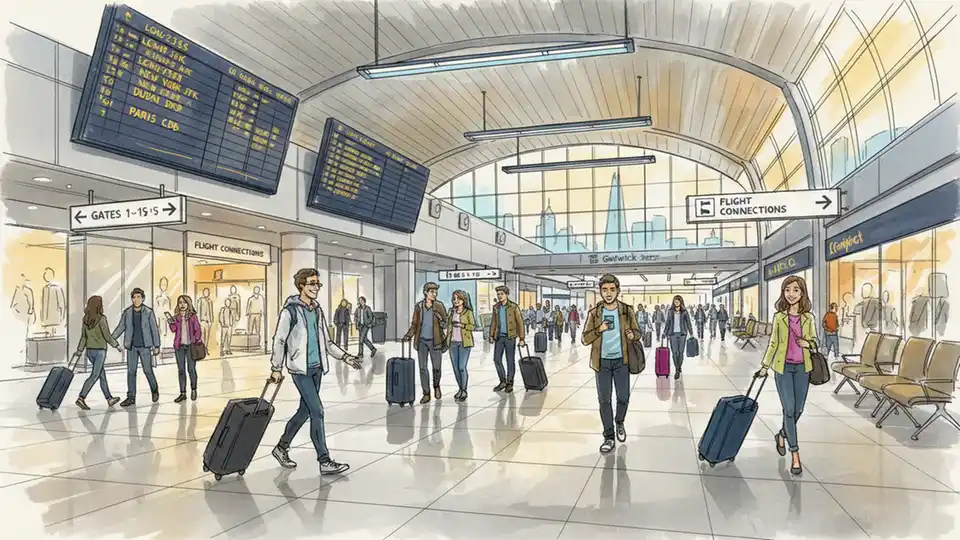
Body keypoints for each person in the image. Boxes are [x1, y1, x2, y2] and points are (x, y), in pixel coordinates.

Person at [269, 268, 362, 475]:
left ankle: (281, 447)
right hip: (300, 370)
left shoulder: (317, 311)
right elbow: (280, 340)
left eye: (318, 284)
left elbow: (327, 342)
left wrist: (346, 357)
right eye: (312, 283)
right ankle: (324, 460)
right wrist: (276, 367)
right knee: (317, 411)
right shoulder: (290, 311)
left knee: (305, 411)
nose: (316, 287)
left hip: (316, 368)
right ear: (301, 285)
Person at [757, 276, 818, 476]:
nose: (791, 294)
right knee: (789, 409)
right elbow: (773, 343)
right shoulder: (779, 318)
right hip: (783, 369)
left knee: (798, 409)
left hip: (803, 368)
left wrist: (807, 344)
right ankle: (795, 454)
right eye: (787, 290)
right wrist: (765, 366)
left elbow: (816, 341)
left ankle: (782, 434)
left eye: (796, 290)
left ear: (802, 293)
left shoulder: (809, 318)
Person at [581, 274, 641, 454]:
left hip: (622, 361)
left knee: (623, 397)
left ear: (618, 291)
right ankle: (608, 436)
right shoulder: (595, 313)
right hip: (602, 363)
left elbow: (638, 332)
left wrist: (633, 335)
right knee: (604, 400)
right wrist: (599, 329)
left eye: (612, 289)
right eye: (604, 290)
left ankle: (619, 422)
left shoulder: (626, 311)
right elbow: (585, 338)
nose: (608, 293)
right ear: (600, 291)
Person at [112, 288, 161, 407]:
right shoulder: (127, 312)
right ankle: (131, 397)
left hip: (145, 346)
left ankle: (154, 390)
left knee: (148, 370)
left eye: (139, 297)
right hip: (132, 347)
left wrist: (157, 345)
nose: (136, 300)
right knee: (131, 372)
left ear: (143, 298)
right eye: (134, 297)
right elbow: (121, 327)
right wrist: (111, 338)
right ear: (132, 299)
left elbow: (154, 329)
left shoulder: (148, 312)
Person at [402, 282, 448, 403]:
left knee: (436, 367)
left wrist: (439, 319)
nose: (434, 294)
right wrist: (408, 335)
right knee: (423, 368)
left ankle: (436, 386)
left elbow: (445, 324)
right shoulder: (419, 307)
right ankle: (426, 393)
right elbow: (414, 324)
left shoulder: (439, 306)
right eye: (432, 292)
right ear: (426, 293)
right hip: (421, 341)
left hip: (436, 341)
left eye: (436, 292)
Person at [73, 296, 121, 410]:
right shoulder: (102, 319)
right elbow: (107, 336)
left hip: (89, 351)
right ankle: (81, 397)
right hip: (100, 351)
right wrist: (117, 345)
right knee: (95, 375)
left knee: (101, 375)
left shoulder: (86, 319)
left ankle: (109, 399)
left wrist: (79, 350)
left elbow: (83, 337)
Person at [487, 285, 526, 393]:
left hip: (510, 337)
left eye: (501, 294)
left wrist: (522, 338)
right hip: (499, 337)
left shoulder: (513, 307)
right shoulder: (496, 307)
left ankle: (510, 382)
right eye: (498, 294)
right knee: (497, 359)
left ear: (506, 294)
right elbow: (493, 322)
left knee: (510, 360)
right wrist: (491, 335)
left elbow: (520, 323)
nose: (500, 296)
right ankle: (502, 380)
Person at [167, 295, 203, 403]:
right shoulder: (176, 317)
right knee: (181, 370)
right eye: (180, 302)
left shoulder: (193, 316)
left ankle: (193, 389)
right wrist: (171, 323)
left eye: (184, 302)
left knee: (191, 369)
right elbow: (174, 330)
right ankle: (182, 393)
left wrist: (196, 340)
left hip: (190, 346)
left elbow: (198, 330)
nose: (182, 305)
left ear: (188, 303)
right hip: (180, 347)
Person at [446, 290, 476, 401]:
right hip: (452, 343)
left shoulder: (468, 312)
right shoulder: (451, 312)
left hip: (465, 343)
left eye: (458, 298)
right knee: (455, 368)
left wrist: (462, 325)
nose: (456, 301)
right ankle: (460, 388)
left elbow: (473, 326)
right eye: (454, 299)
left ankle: (464, 390)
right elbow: (447, 325)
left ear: (463, 300)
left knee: (462, 367)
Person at [661, 295, 693, 379]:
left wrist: (691, 333)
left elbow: (689, 322)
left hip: (682, 334)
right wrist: (664, 332)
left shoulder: (685, 312)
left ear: (681, 302)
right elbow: (667, 323)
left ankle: (679, 366)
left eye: (678, 301)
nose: (676, 303)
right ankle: (677, 369)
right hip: (672, 334)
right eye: (675, 301)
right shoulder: (670, 311)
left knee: (681, 353)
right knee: (674, 353)